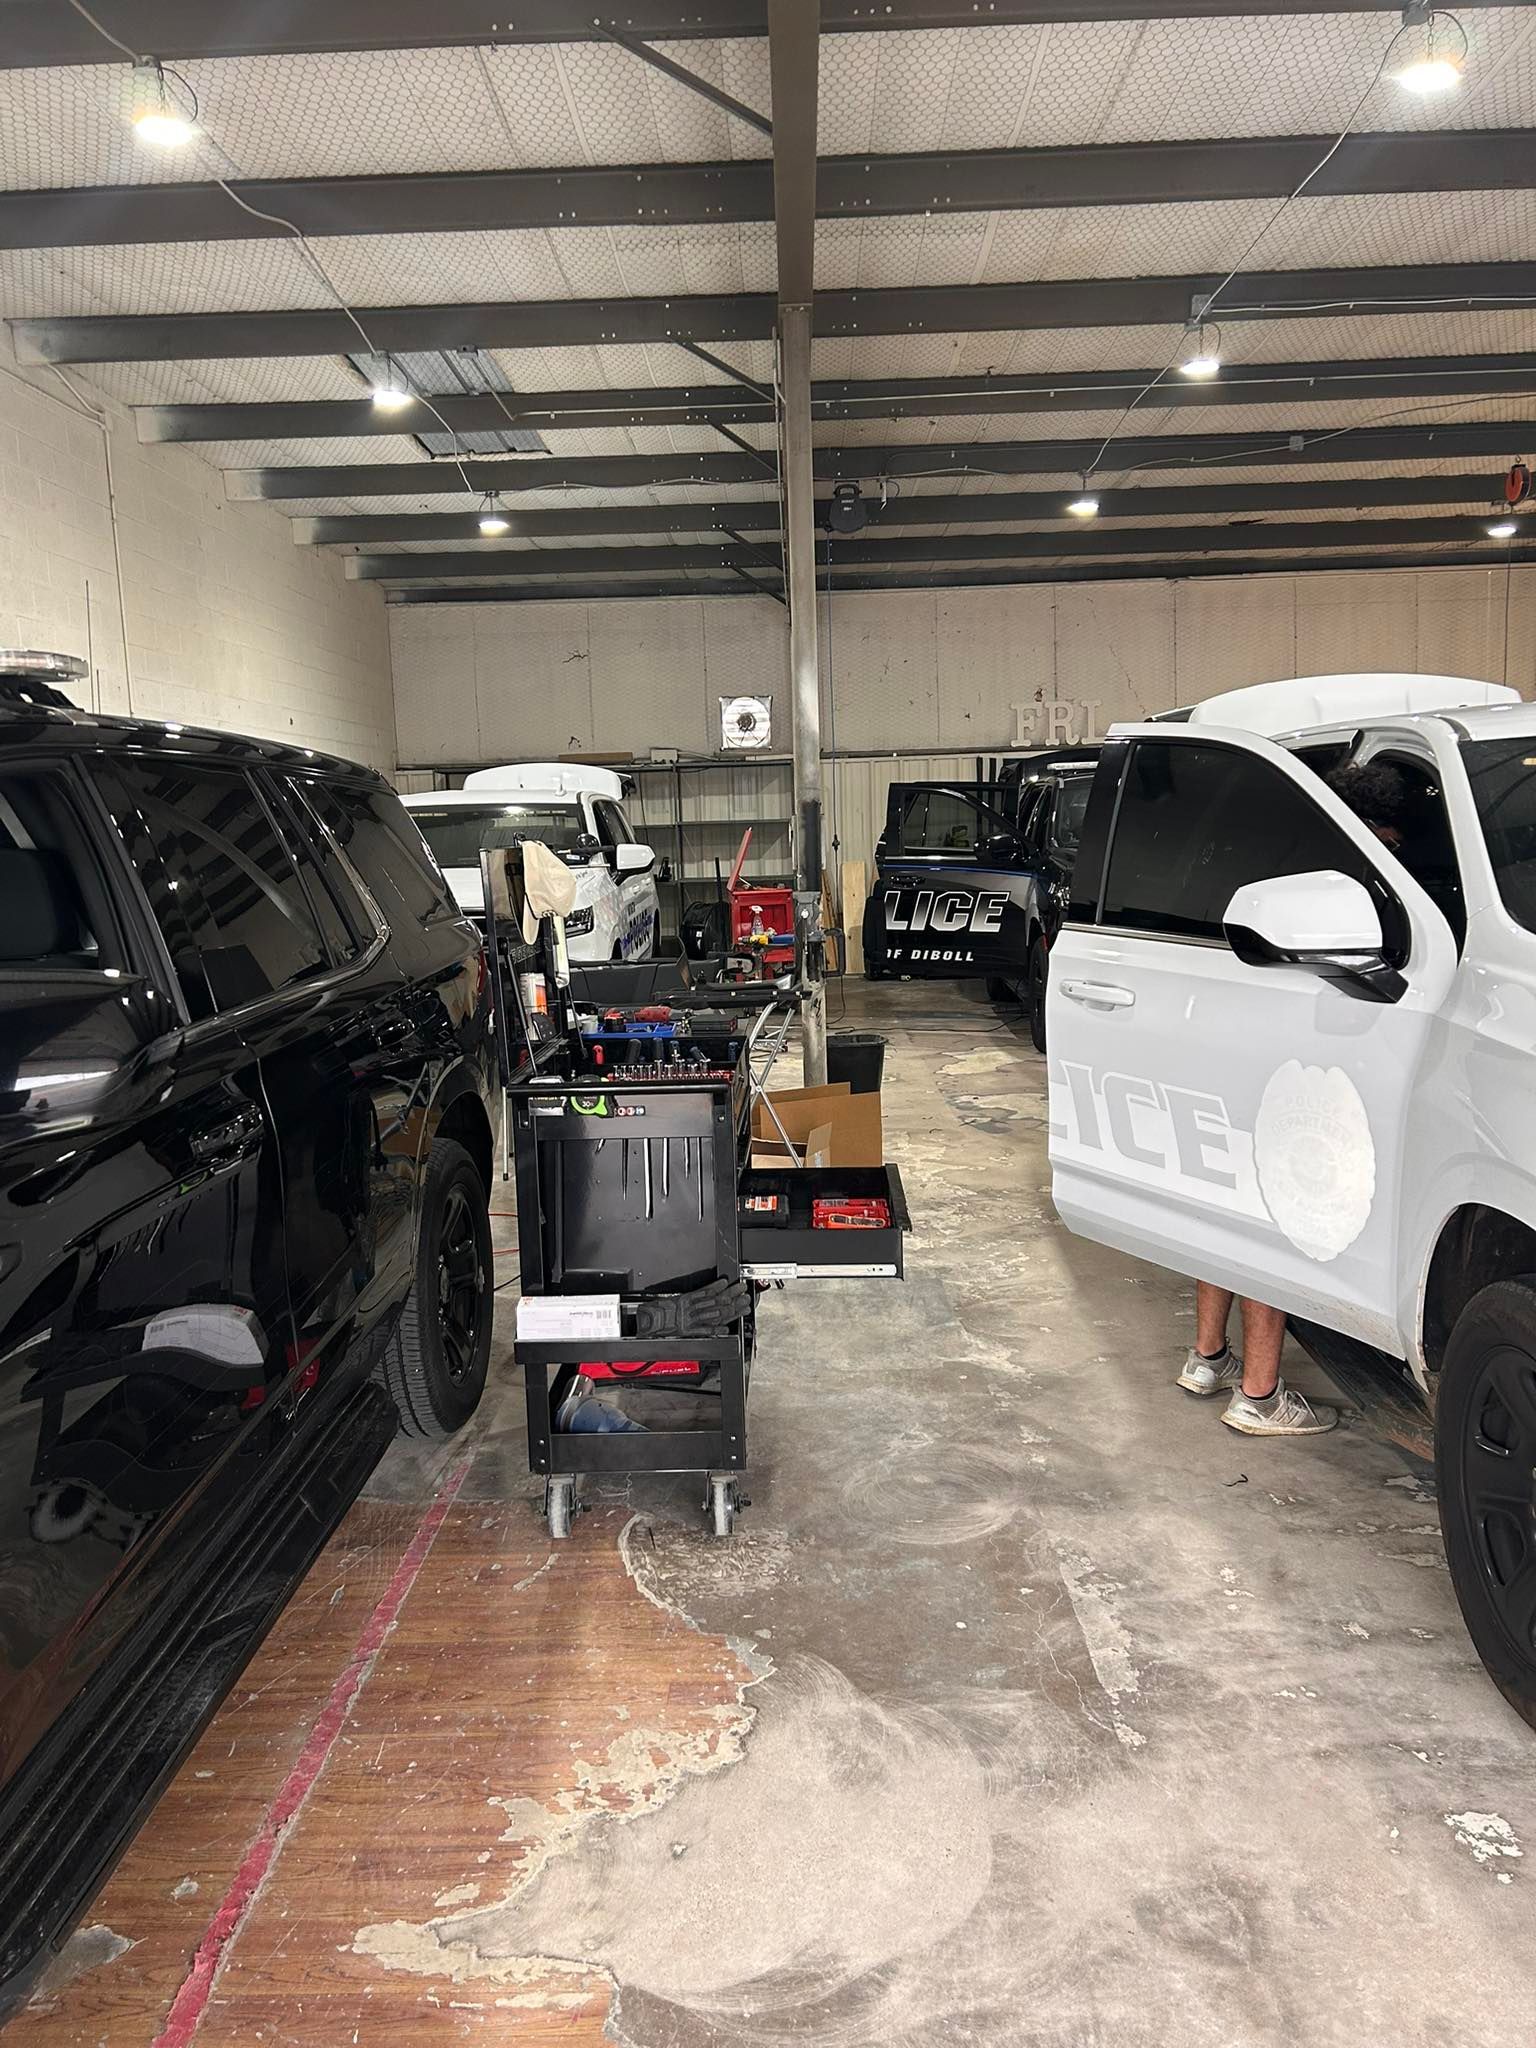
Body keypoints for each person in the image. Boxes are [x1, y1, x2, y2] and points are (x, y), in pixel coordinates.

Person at [1175, 759, 1414, 1436]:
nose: (1394, 857)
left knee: (1226, 1211)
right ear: (1370, 830)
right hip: (1282, 1069)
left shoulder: (1271, 859)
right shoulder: (1341, 886)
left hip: (1226, 1052)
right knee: (1273, 1224)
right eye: (1390, 844)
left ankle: (1206, 1357)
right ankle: (1258, 1395)